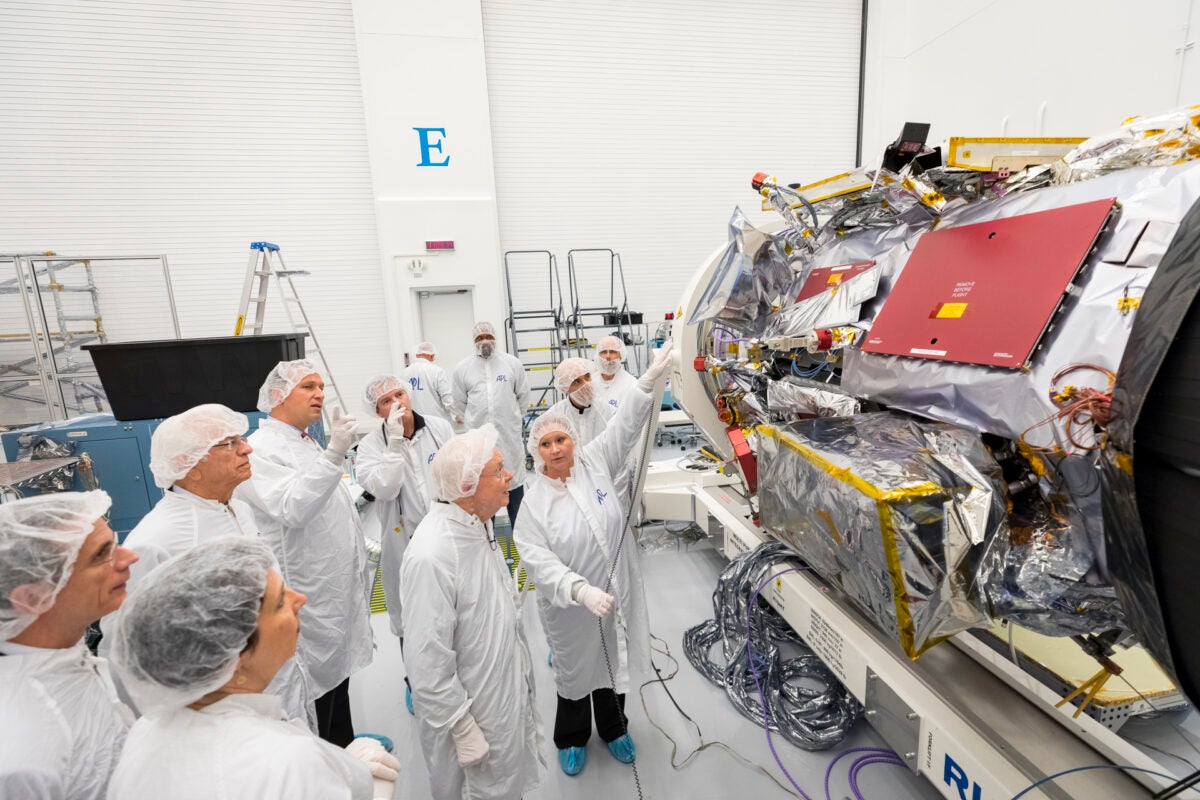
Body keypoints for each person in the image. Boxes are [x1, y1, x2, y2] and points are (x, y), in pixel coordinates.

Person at [105, 538, 400, 800]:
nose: (300, 600)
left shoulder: (145, 733)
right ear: (234, 655)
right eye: (280, 602)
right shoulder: (288, 763)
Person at [513, 343, 673, 777]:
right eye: (546, 443)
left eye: (561, 438)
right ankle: (571, 737)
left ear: (573, 439)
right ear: (536, 450)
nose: (556, 449)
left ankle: (615, 730)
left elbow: (626, 424)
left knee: (612, 663)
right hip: (570, 609)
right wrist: (578, 590)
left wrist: (646, 382)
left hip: (615, 589)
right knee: (575, 672)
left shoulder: (594, 460)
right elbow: (535, 558)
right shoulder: (534, 503)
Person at [399, 424, 544, 800]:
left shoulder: (476, 525)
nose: (509, 476)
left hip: (498, 693)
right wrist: (461, 726)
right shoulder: (433, 554)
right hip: (473, 715)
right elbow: (426, 663)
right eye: (497, 470)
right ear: (466, 485)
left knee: (507, 782)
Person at [237, 358, 373, 746]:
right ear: (279, 395)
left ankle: (346, 747)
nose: (319, 394)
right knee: (316, 686)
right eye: (307, 387)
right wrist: (334, 456)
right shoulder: (261, 449)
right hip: (305, 590)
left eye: (320, 386)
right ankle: (330, 758)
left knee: (337, 673)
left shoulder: (301, 438)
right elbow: (293, 507)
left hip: (330, 586)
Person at [0, 491, 137, 799]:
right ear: (33, 598)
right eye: (102, 554)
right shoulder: (22, 756)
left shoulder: (65, 652)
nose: (129, 557)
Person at [356, 374, 454, 715]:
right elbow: (383, 489)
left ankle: (452, 675)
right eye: (386, 401)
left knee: (452, 607)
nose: (396, 402)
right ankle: (415, 679)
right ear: (378, 411)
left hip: (448, 537)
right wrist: (395, 444)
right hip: (404, 544)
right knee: (408, 615)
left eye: (399, 394)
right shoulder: (370, 446)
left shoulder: (439, 429)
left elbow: (458, 474)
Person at [451, 321, 531, 524]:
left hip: (508, 438)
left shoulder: (512, 364)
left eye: (488, 337)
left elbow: (523, 398)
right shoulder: (463, 368)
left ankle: (522, 543)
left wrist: (510, 420)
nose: (484, 341)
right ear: (474, 341)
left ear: (495, 339)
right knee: (484, 492)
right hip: (479, 442)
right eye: (480, 338)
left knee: (514, 491)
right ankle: (487, 541)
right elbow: (459, 404)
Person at [546, 357, 613, 447]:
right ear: (565, 388)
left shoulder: (607, 411)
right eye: (576, 381)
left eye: (587, 376)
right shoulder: (554, 416)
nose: (586, 384)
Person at [400, 341, 456, 424]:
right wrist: (459, 415)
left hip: (415, 423)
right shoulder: (437, 371)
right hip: (438, 422)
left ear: (417, 355)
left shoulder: (403, 374)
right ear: (432, 356)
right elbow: (448, 399)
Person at [591, 335, 639, 413]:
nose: (608, 356)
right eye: (603, 352)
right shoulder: (590, 382)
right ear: (598, 355)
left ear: (621, 355)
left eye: (613, 352)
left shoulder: (631, 384)